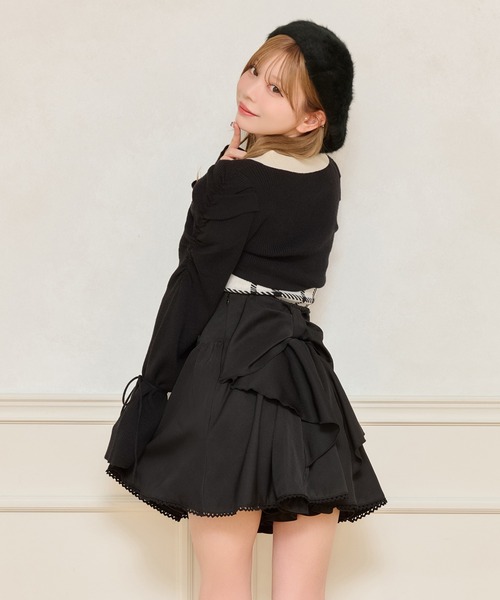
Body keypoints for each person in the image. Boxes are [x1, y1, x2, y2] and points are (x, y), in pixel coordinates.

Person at [105, 20, 386, 600]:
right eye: (254, 70)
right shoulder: (328, 178)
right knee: (302, 589)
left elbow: (193, 283)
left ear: (312, 119)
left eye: (277, 89)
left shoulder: (241, 181)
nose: (252, 90)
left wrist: (154, 388)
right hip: (302, 378)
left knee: (224, 584)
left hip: (227, 371)